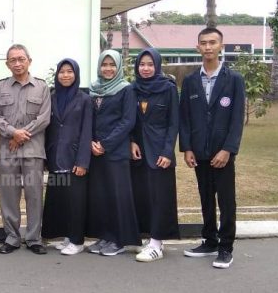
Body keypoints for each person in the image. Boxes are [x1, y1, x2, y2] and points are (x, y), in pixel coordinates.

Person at [180, 27, 245, 269]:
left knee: (226, 201)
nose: (208, 47)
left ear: (221, 46)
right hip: (199, 152)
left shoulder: (234, 79)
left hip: (222, 153)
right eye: (204, 43)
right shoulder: (190, 81)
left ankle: (226, 247)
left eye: (212, 42)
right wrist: (187, 148)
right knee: (206, 199)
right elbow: (184, 118)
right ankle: (210, 241)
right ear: (197, 47)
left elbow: (237, 119)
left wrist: (228, 149)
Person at [0, 44, 51, 255]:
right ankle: (12, 238)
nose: (17, 63)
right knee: (9, 195)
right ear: (7, 64)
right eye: (13, 60)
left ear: (29, 61)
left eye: (21, 59)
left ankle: (34, 238)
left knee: (34, 195)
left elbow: (44, 118)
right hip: (8, 151)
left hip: (33, 150)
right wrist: (13, 133)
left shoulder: (41, 87)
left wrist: (20, 135)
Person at [85, 49, 140, 256]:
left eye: (112, 65)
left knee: (118, 196)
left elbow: (128, 121)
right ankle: (105, 236)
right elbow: (90, 119)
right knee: (102, 196)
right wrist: (91, 142)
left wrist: (105, 144)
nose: (108, 69)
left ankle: (119, 239)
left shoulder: (126, 89)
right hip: (96, 152)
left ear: (119, 67)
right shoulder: (94, 89)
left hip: (116, 152)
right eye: (104, 64)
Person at [130, 48, 180, 262]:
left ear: (157, 66)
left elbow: (174, 122)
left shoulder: (168, 88)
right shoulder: (132, 88)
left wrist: (168, 151)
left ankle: (157, 244)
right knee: (143, 196)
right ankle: (149, 239)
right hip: (139, 152)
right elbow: (129, 119)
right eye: (142, 64)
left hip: (160, 152)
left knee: (160, 197)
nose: (146, 68)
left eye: (150, 64)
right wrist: (131, 141)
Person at [42, 58, 92, 255]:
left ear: (76, 74)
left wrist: (82, 161)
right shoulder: (51, 97)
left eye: (70, 71)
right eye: (62, 71)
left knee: (76, 201)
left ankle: (77, 241)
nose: (65, 75)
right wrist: (45, 156)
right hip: (55, 155)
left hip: (75, 157)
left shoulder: (84, 99)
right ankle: (67, 237)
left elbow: (87, 131)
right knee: (62, 200)